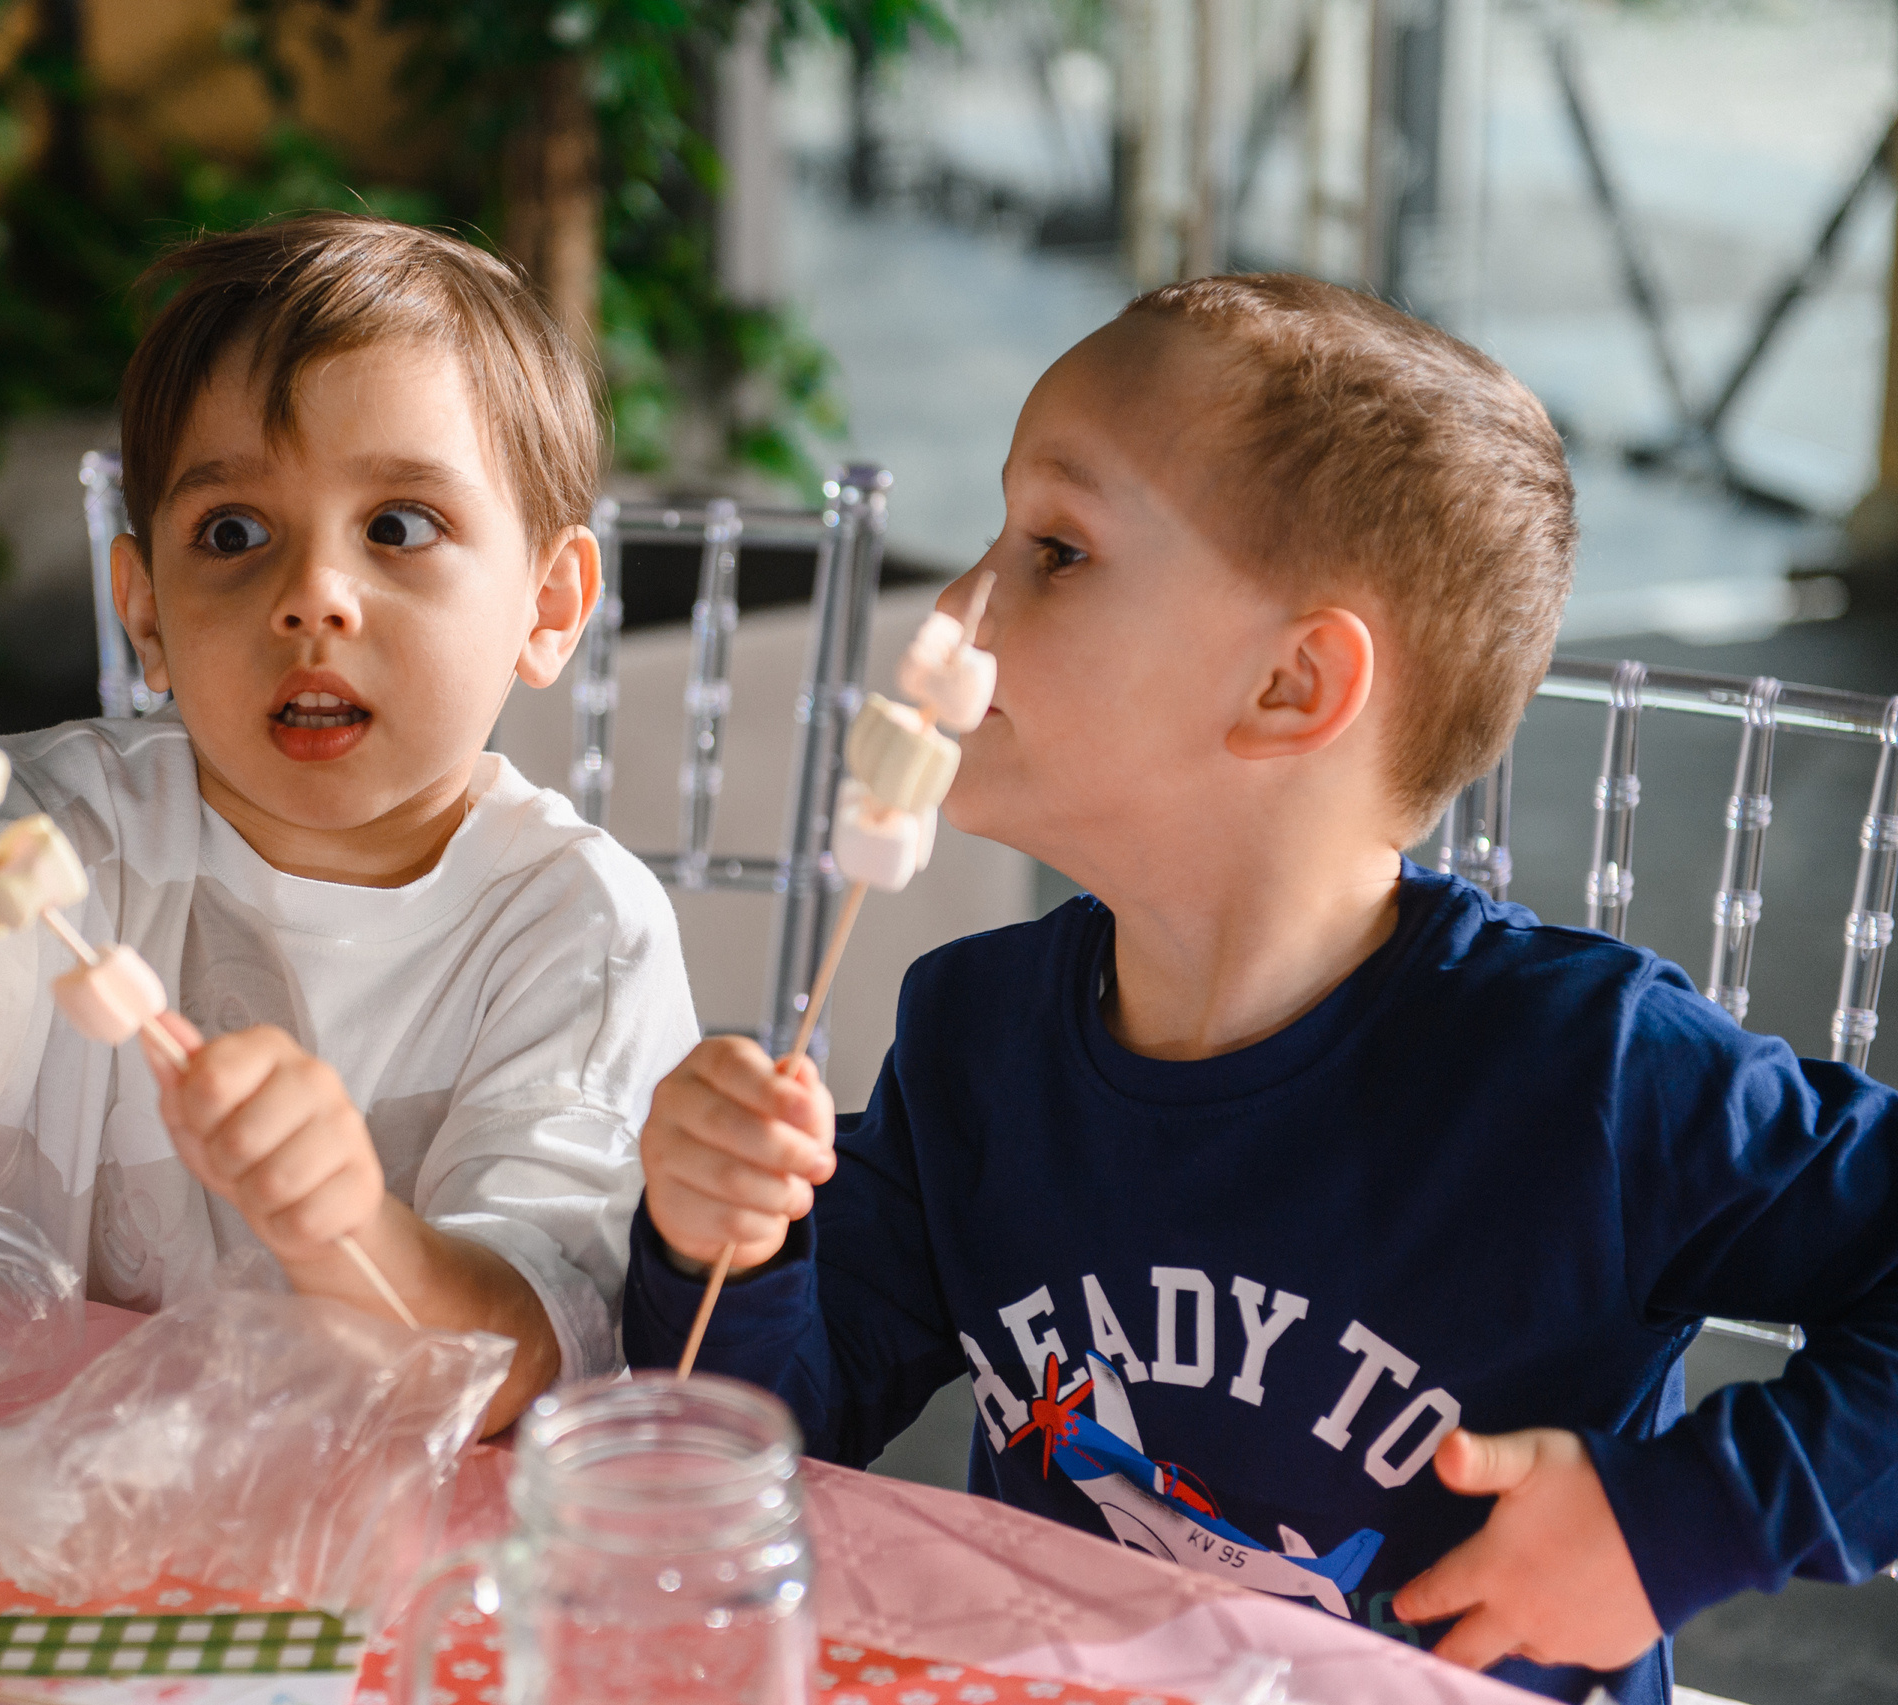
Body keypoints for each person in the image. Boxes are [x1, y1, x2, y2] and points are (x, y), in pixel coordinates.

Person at [621, 274, 1898, 1704]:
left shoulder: (1585, 1075)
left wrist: (1670, 1526)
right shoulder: (971, 1040)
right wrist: (712, 1241)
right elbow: (761, 1439)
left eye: (1056, 548)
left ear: (1293, 685)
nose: (965, 603)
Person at [0, 213, 698, 1433]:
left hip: (420, 1558)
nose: (312, 594)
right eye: (234, 533)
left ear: (550, 599)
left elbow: (527, 1347)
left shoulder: (577, 927)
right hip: (74, 1513)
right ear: (144, 609)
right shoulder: (74, 827)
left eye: (400, 527)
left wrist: (346, 1226)